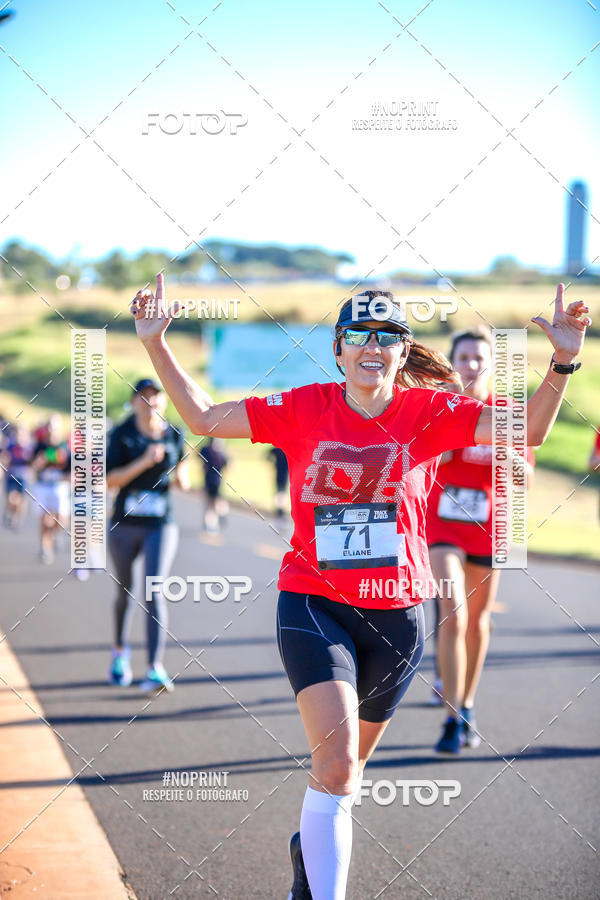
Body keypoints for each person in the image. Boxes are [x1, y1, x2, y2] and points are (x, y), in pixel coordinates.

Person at [131, 274, 589, 900]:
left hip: (398, 617)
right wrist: (156, 344)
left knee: (346, 776)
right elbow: (205, 418)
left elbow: (528, 432)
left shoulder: (432, 412)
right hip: (313, 604)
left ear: (403, 352)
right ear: (339, 348)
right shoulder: (303, 407)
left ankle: (310, 849)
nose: (373, 346)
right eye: (359, 335)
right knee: (339, 762)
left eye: (387, 336)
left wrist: (563, 360)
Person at [426, 327, 535, 753]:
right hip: (443, 526)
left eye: (479, 358)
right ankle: (450, 717)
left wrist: (506, 451)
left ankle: (467, 704)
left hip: (492, 528)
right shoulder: (442, 408)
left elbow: (526, 480)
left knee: (478, 622)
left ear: (491, 364)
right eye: (464, 358)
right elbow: (428, 463)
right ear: (452, 364)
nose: (471, 365)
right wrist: (453, 428)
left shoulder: (508, 412)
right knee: (453, 614)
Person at [106, 378, 189, 692]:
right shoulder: (122, 433)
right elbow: (111, 480)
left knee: (155, 590)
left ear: (163, 401)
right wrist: (144, 461)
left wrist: (182, 475)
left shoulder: (175, 433)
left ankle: (155, 667)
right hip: (124, 524)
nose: (150, 402)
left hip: (160, 524)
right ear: (134, 403)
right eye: (143, 397)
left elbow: (182, 478)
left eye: (155, 396)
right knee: (124, 591)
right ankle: (119, 652)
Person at [31, 414, 71, 564]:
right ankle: (45, 549)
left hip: (60, 487)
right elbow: (33, 466)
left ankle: (54, 535)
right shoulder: (40, 446)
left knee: (61, 520)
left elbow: (71, 468)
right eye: (49, 426)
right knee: (45, 520)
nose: (51, 430)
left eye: (54, 427)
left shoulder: (64, 446)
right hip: (43, 487)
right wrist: (40, 462)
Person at [2, 423, 33, 530]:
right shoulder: (10, 445)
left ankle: (17, 519)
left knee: (21, 500)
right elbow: (5, 458)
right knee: (11, 499)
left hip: (23, 476)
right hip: (11, 475)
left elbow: (32, 463)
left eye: (21, 433)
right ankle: (9, 512)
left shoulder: (28, 447)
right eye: (18, 433)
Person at [199, 436, 229, 532]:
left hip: (217, 481)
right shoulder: (208, 451)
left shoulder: (220, 453)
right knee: (210, 503)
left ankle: (216, 518)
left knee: (215, 502)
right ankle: (210, 523)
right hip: (210, 480)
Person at [269, 445, 290, 517]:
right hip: (284, 474)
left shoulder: (277, 449)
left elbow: (268, 456)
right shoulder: (286, 449)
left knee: (280, 490)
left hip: (281, 474)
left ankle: (280, 509)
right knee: (281, 491)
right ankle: (280, 509)